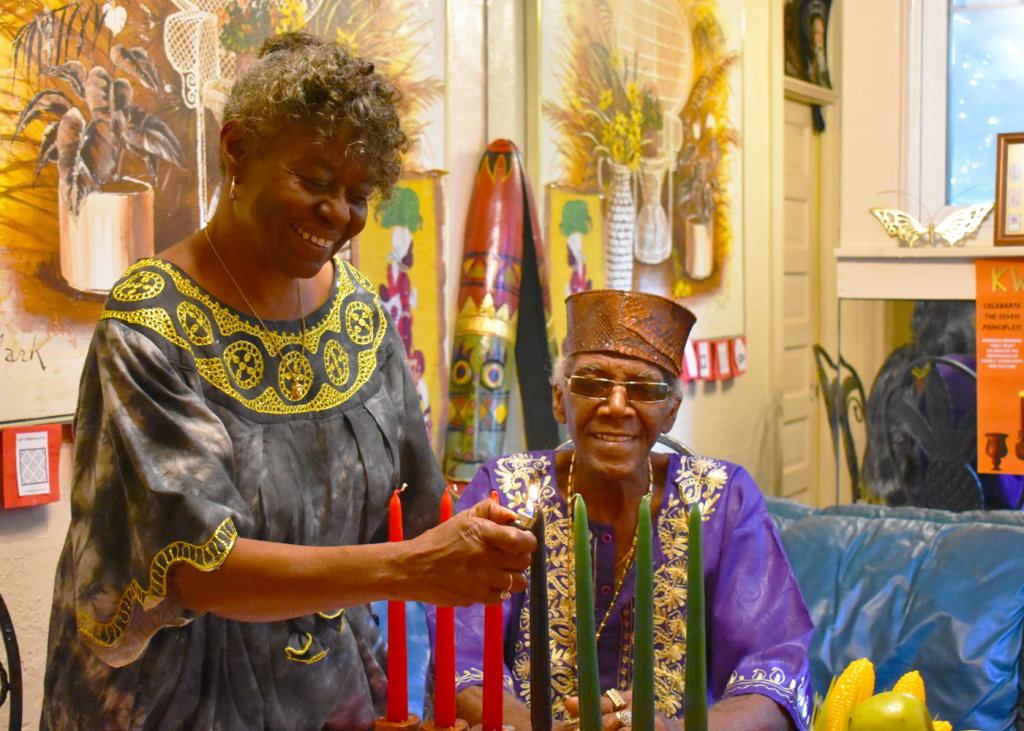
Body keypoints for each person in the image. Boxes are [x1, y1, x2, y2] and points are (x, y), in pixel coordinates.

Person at [40, 32, 534, 731]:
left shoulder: (360, 318)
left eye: (360, 194)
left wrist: (498, 528)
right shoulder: (152, 324)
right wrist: (407, 567)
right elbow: (200, 565)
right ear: (236, 149)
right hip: (173, 704)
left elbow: (417, 512)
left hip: (326, 698)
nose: (339, 214)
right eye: (315, 181)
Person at [427, 289, 815, 731]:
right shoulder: (504, 493)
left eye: (644, 389)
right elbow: (462, 665)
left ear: (670, 412)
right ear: (559, 399)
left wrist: (676, 730)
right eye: (592, 383)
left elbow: (775, 674)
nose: (615, 407)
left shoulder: (723, 500)